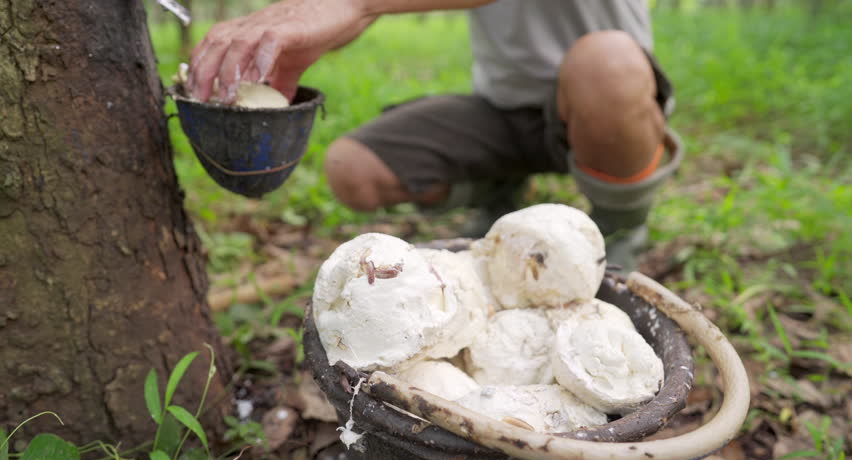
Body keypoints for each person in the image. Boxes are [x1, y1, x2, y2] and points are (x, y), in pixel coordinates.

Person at [187, 0, 682, 271]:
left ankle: (619, 229)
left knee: (607, 62)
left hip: (606, 104)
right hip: (504, 110)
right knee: (352, 168)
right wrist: (308, 31)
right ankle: (500, 192)